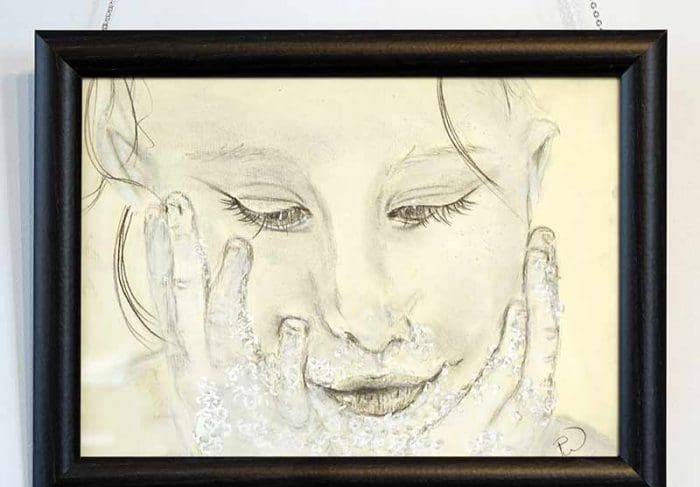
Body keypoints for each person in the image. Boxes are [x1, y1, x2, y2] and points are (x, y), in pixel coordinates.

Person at [84, 77, 612, 456]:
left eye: (424, 206)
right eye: (272, 212)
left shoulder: (602, 476)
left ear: (531, 173)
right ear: (134, 169)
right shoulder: (92, 449)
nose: (362, 322)